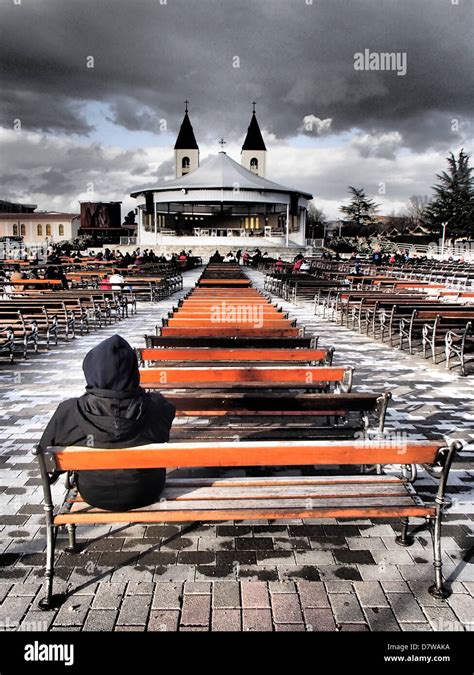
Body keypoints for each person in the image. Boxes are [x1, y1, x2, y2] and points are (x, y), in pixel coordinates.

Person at [37, 335, 176, 511]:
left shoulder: (69, 411)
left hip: (93, 493)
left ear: (91, 369)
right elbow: (163, 434)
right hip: (146, 490)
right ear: (134, 370)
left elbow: (45, 456)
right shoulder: (158, 405)